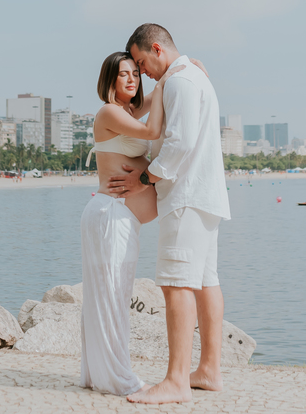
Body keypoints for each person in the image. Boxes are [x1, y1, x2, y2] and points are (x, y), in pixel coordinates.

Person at [109, 23, 231, 405]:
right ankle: (208, 370)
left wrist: (144, 178)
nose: (142, 72)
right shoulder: (192, 76)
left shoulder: (179, 82)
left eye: (143, 62)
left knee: (176, 284)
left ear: (158, 50)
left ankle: (176, 381)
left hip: (186, 196)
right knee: (205, 280)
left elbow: (178, 144)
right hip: (207, 196)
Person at [79, 51, 188, 397]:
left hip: (117, 216)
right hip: (111, 212)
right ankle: (117, 379)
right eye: (124, 74)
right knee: (111, 297)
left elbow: (155, 97)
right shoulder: (110, 112)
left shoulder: (127, 111)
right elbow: (154, 128)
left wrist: (182, 68)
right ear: (109, 81)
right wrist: (168, 79)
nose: (132, 80)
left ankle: (99, 373)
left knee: (111, 296)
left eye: (136, 74)